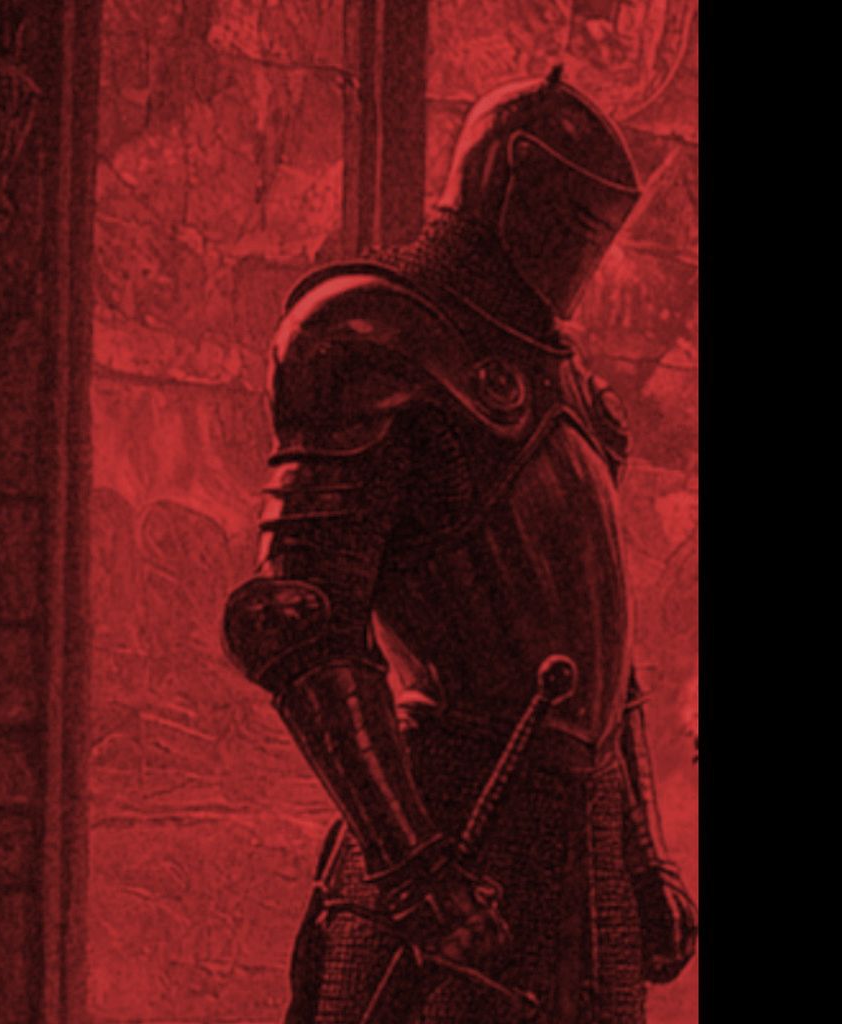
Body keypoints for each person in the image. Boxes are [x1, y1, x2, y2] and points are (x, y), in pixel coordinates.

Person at [222, 67, 697, 1024]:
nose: (583, 253)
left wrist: (641, 852)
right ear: (512, 177)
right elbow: (300, 622)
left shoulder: (574, 392)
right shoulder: (368, 332)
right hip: (447, 818)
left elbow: (606, 656)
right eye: (575, 219)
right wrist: (410, 867)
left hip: (584, 842)